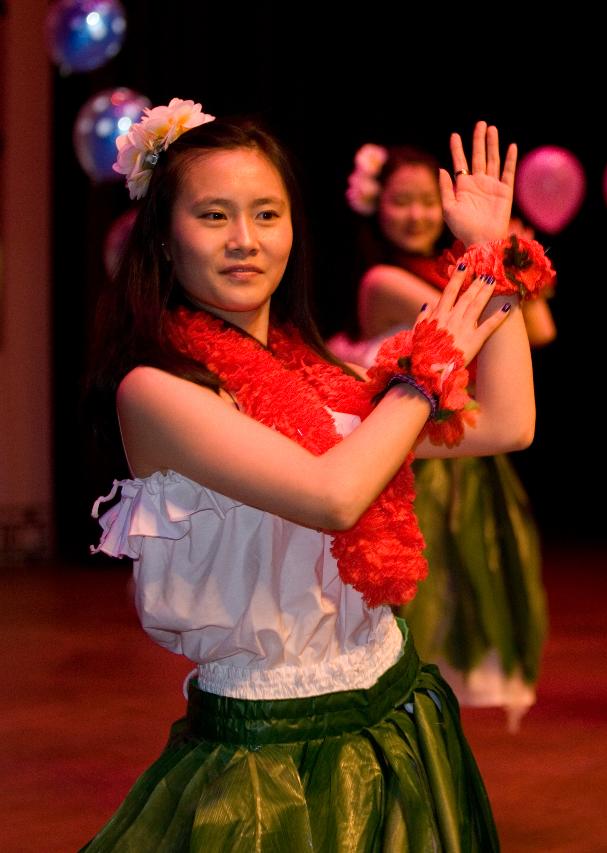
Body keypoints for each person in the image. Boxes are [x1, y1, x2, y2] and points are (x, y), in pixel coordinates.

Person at [85, 101, 536, 851]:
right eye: (213, 216)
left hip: (393, 712)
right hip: (269, 755)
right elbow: (334, 494)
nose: (244, 241)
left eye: (267, 214)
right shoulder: (157, 391)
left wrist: (489, 263)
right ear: (163, 238)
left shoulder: (323, 379)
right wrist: (424, 373)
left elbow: (508, 423)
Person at [332, 141, 556, 730]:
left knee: (468, 607)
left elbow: (541, 328)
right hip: (412, 466)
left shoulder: (452, 272)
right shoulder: (383, 280)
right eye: (401, 202)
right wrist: (502, 257)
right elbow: (496, 323)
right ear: (376, 208)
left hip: (471, 457)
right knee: (416, 612)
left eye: (428, 203)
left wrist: (503, 255)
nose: (416, 216)